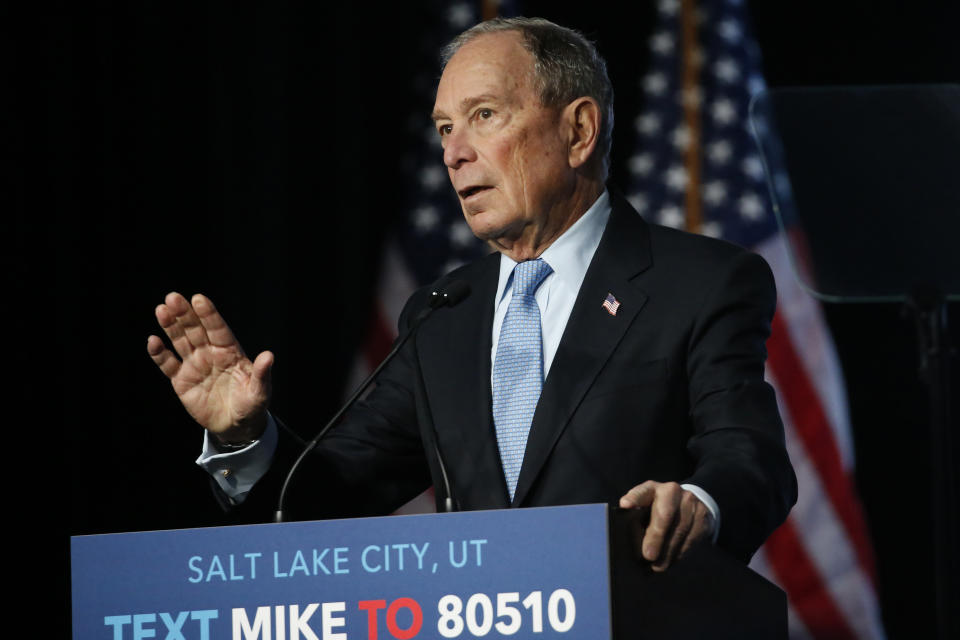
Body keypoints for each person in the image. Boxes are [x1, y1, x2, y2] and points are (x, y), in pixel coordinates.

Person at [147, 17, 796, 570]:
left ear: (578, 132)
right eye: (443, 128)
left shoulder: (701, 283)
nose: (454, 153)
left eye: (483, 116)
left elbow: (751, 459)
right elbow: (324, 498)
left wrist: (698, 505)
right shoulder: (442, 315)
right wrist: (244, 438)